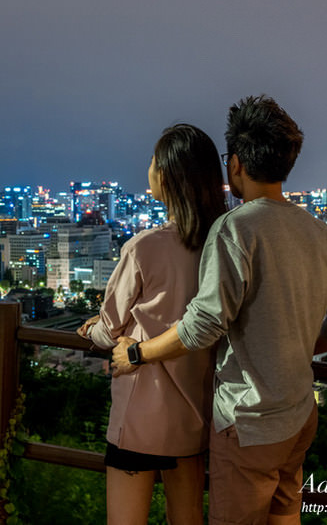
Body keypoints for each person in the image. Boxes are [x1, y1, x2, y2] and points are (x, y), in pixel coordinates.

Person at [112, 96, 327, 525]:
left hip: (248, 421)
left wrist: (138, 353)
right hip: (299, 416)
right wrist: (303, 346)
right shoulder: (318, 231)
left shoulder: (236, 228)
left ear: (236, 166)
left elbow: (203, 325)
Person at [77, 124, 227, 525]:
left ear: (169, 175)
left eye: (153, 161)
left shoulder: (144, 247)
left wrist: (86, 328)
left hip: (140, 416)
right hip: (195, 419)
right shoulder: (223, 246)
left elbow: (109, 332)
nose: (148, 169)